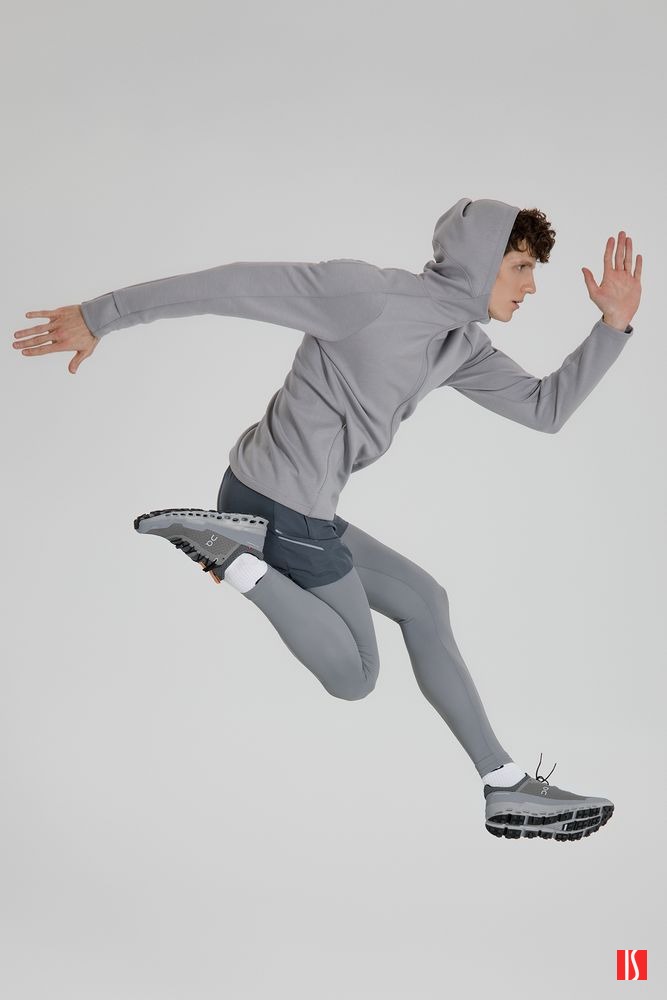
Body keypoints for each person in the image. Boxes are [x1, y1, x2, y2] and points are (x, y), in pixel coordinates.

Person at [13, 197, 642, 841]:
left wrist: (613, 324)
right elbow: (228, 286)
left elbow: (543, 408)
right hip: (285, 509)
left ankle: (504, 784)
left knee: (424, 602)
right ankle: (232, 558)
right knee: (355, 676)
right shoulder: (365, 295)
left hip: (281, 503)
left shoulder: (460, 345)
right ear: (481, 260)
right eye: (519, 267)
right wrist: (100, 316)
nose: (530, 287)